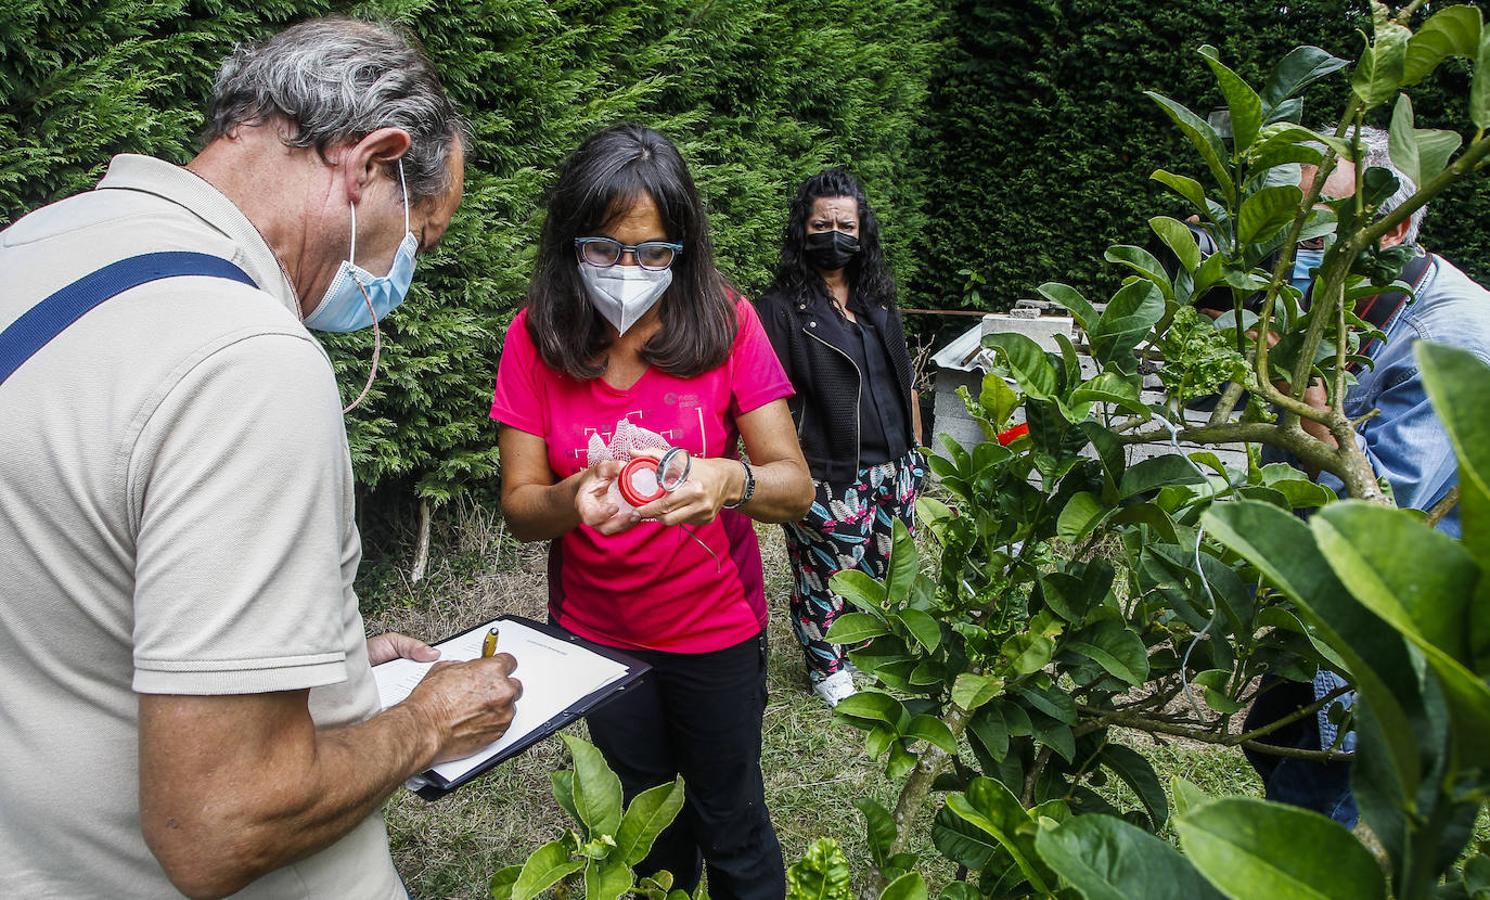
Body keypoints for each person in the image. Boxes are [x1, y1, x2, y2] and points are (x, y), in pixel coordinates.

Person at [0, 19, 523, 899]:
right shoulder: (247, 361)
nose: (399, 278)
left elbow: (67, 585)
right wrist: (424, 723)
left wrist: (317, 659)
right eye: (418, 241)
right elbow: (221, 824)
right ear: (371, 163)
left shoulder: (35, 246)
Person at [489, 124, 812, 898]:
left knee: (732, 823)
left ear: (684, 250)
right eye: (603, 249)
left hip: (716, 632)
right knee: (643, 837)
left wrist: (728, 480)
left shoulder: (727, 321)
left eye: (652, 252)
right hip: (599, 639)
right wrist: (570, 500)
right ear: (570, 242)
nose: (627, 271)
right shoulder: (537, 335)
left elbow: (793, 486)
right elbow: (521, 509)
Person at [1243, 124, 1490, 826]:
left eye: (1321, 227)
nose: (1298, 247)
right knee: (1274, 751)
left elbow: (1387, 514)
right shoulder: (1352, 304)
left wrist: (1315, 409)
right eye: (1294, 223)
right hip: (1329, 608)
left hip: (1400, 625)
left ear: (1394, 228)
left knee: (1316, 801)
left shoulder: (1450, 337)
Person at [756, 168, 926, 707]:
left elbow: (905, 380)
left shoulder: (878, 301)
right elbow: (770, 402)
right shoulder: (780, 311)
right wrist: (794, 472)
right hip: (829, 472)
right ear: (802, 231)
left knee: (885, 566)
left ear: (863, 232)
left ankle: (869, 649)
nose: (835, 233)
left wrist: (916, 456)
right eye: (822, 223)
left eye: (846, 224)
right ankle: (826, 665)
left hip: (895, 467)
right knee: (826, 573)